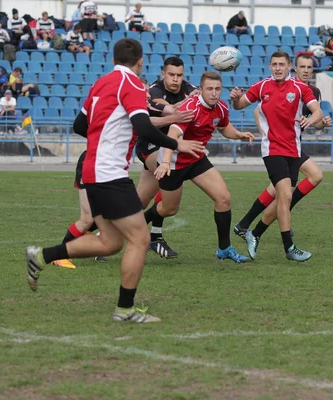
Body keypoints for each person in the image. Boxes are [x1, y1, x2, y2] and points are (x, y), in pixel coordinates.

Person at [25, 38, 205, 324]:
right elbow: (142, 124)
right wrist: (177, 145)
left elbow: (79, 126)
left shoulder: (101, 83)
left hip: (93, 169)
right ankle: (125, 309)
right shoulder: (132, 83)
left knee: (109, 242)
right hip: (109, 172)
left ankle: (41, 256)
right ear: (140, 62)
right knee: (140, 238)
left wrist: (105, 138)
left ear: (113, 58)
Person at [52, 78, 196, 270]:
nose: (147, 94)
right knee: (87, 219)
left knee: (108, 217)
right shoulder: (128, 106)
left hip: (109, 169)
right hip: (94, 164)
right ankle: (58, 255)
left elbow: (157, 115)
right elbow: (146, 124)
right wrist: (174, 136)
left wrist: (187, 103)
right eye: (144, 90)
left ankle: (88, 241)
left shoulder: (141, 105)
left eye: (147, 90)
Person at [144, 72, 255, 263]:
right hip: (173, 162)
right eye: (209, 89)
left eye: (217, 89)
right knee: (168, 209)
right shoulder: (191, 108)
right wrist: (164, 163)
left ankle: (224, 248)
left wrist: (239, 135)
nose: (213, 93)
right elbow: (172, 136)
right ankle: (138, 225)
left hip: (196, 159)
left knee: (223, 199)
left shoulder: (220, 107)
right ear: (201, 90)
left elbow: (224, 127)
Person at [230, 51, 323, 262]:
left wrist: (313, 119)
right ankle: (289, 248)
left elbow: (317, 111)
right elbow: (241, 105)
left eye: (282, 64)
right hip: (272, 149)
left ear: (289, 66)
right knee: (286, 196)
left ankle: (253, 231)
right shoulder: (262, 86)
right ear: (270, 66)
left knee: (283, 196)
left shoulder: (301, 88)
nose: (278, 68)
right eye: (274, 64)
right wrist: (235, 100)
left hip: (293, 150)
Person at [145, 56, 200, 258]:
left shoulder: (187, 87)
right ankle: (155, 237)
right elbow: (171, 110)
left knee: (139, 201)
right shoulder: (154, 91)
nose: (176, 79)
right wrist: (192, 98)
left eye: (179, 75)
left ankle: (102, 233)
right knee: (170, 177)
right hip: (149, 145)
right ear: (163, 74)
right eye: (171, 75)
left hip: (170, 147)